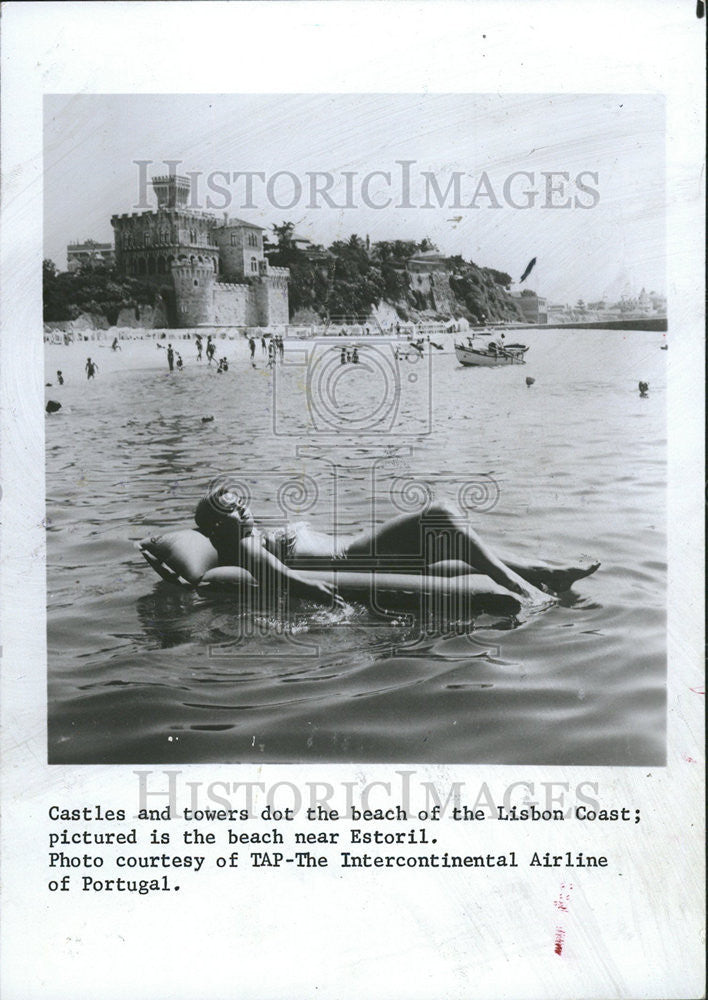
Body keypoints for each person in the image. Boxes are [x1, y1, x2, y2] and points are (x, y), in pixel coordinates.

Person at [193, 480, 600, 608]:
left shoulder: (251, 537)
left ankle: (549, 574)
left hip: (361, 551)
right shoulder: (246, 547)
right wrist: (323, 598)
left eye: (241, 503)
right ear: (217, 528)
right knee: (440, 514)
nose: (243, 510)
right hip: (357, 558)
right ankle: (521, 587)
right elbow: (282, 577)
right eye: (231, 510)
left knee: (456, 548)